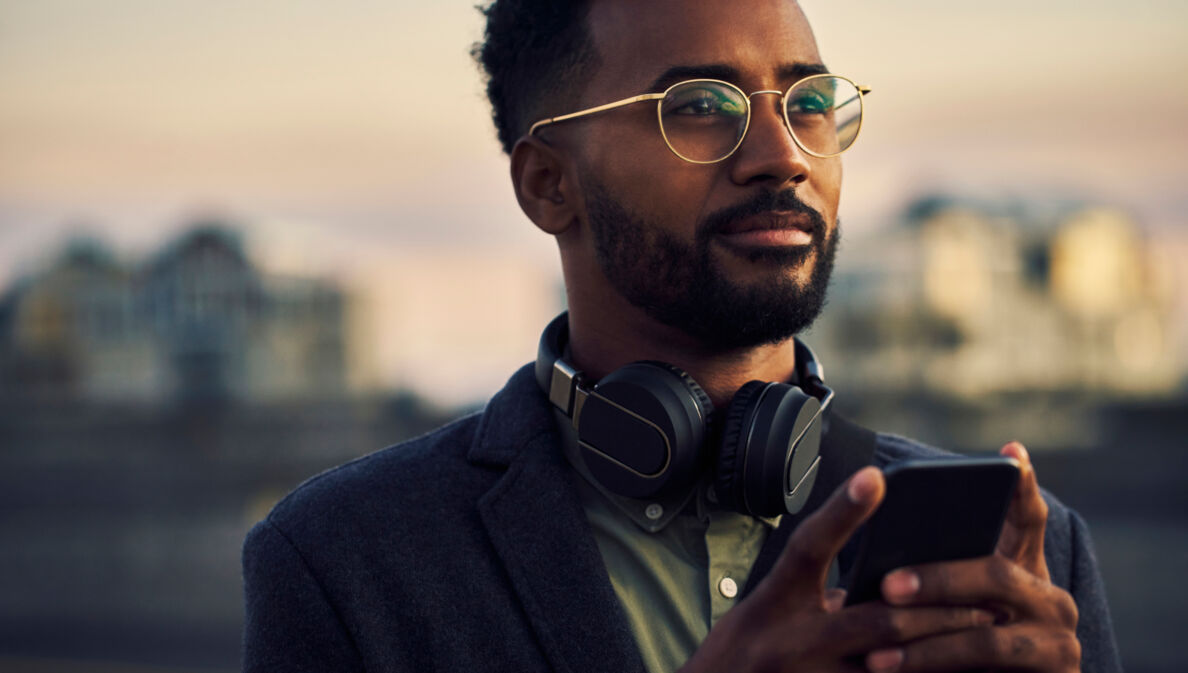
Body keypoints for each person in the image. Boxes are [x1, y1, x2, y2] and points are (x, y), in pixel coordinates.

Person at [241, 1, 1122, 671]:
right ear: (549, 184)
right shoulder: (342, 558)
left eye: (809, 101)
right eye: (701, 105)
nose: (784, 153)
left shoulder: (1021, 555)